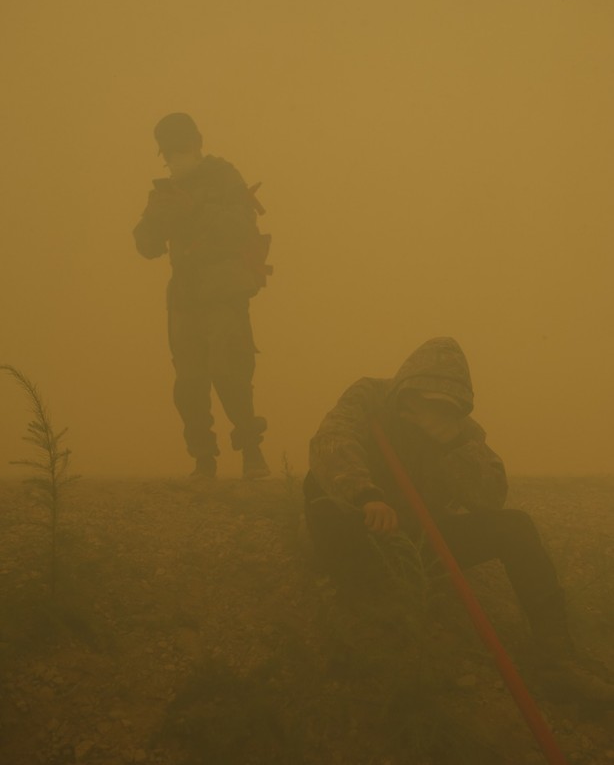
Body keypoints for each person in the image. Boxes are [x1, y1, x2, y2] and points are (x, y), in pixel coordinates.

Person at [304, 336, 614, 703]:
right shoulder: (370, 396)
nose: (436, 408)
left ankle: (556, 657)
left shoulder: (463, 432)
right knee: (320, 496)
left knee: (515, 527)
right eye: (428, 397)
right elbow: (332, 438)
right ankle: (364, 616)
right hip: (360, 534)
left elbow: (489, 499)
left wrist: (454, 445)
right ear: (409, 386)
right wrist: (366, 495)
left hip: (421, 541)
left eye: (448, 405)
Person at [133, 113, 271, 479]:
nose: (176, 157)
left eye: (181, 148)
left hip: (224, 290)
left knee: (231, 370)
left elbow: (243, 227)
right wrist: (155, 217)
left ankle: (251, 451)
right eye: (169, 151)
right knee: (189, 382)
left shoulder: (224, 177)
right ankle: (203, 458)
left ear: (197, 143)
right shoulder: (166, 191)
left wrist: (196, 210)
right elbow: (146, 246)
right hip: (184, 296)